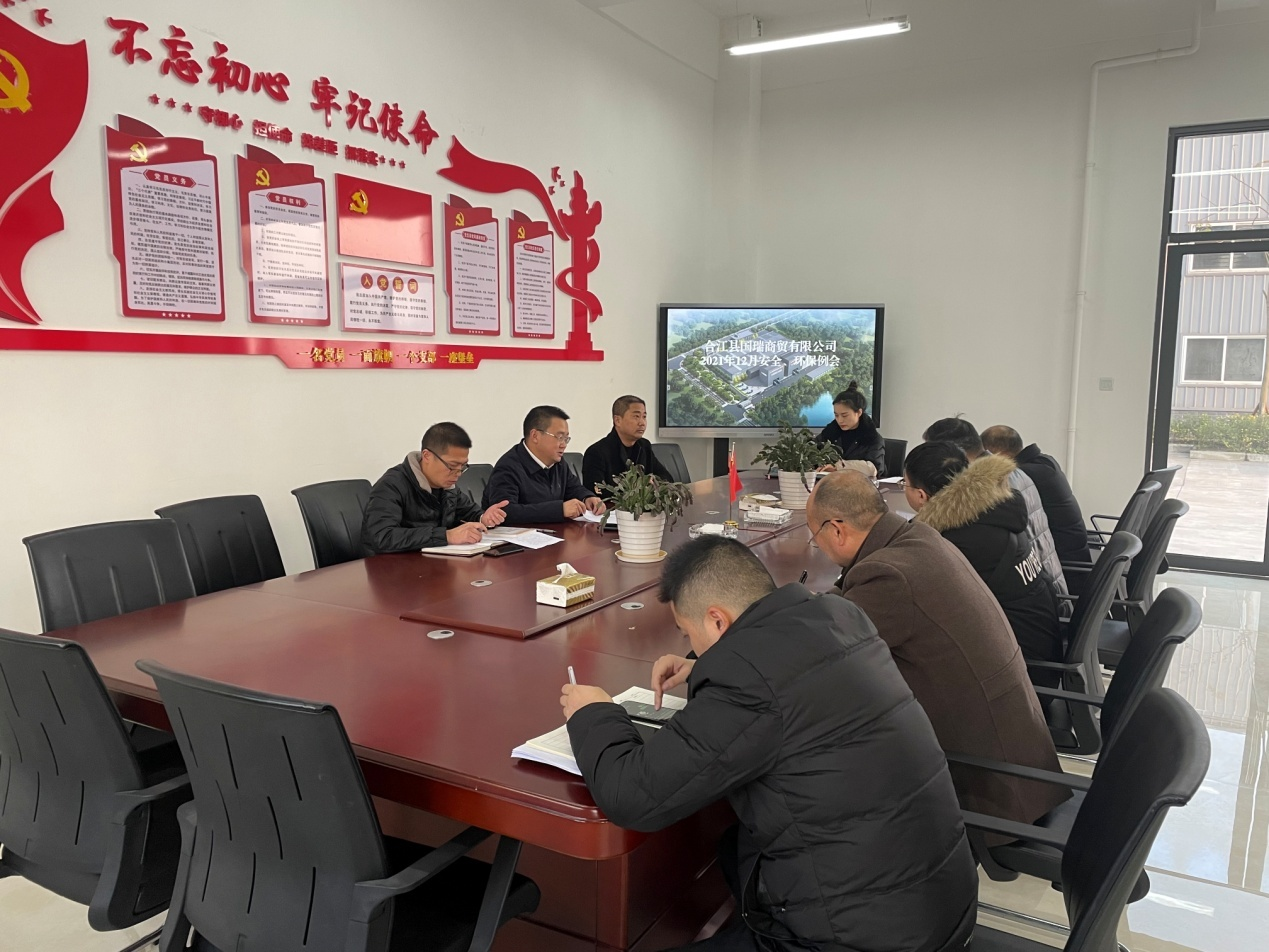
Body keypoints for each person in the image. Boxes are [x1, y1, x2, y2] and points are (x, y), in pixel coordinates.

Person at [561, 537, 976, 952]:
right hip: (937, 904)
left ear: (717, 621)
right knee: (730, 845)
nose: (691, 642)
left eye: (688, 632)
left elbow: (633, 796)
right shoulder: (841, 616)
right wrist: (703, 662)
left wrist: (594, 713)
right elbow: (783, 675)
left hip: (862, 939)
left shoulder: (746, 681)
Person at [806, 471, 1070, 829]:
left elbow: (821, 655)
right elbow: (848, 597)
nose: (819, 546)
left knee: (822, 749)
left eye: (815, 536)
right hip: (1020, 761)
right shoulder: (916, 538)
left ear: (837, 530)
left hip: (991, 790)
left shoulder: (889, 576)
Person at [903, 442, 1063, 676]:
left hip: (1017, 672)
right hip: (1040, 645)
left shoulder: (953, 541)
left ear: (920, 495)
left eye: (904, 484)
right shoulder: (993, 512)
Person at [923, 416, 1067, 598]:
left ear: (949, 454)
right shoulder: (1010, 471)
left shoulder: (989, 485)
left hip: (1033, 591)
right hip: (1044, 584)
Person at [361, 422, 509, 554]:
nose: (458, 473)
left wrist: (484, 518)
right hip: (392, 568)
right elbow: (382, 536)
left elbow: (468, 512)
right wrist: (447, 536)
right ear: (427, 456)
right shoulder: (391, 486)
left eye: (463, 466)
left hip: (434, 563)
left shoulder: (448, 487)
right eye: (452, 466)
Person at [981, 425, 1093, 566]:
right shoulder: (1045, 462)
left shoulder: (1022, 476)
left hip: (1064, 563)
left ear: (1000, 455)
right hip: (1074, 553)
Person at [484, 405, 606, 524]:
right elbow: (505, 512)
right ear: (535, 436)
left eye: (566, 439)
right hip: (521, 536)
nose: (564, 445)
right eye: (559, 437)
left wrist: (587, 497)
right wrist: (559, 510)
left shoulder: (558, 463)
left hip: (553, 532)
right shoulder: (508, 467)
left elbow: (573, 488)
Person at [581, 394, 674, 496]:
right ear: (617, 420)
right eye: (636, 416)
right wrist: (637, 489)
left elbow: (667, 478)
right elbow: (595, 492)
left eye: (644, 417)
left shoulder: (644, 446)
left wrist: (653, 481)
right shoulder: (597, 452)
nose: (642, 423)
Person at [815, 381, 888, 476]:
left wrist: (838, 467)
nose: (840, 420)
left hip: (862, 484)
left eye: (844, 415)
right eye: (836, 415)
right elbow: (811, 450)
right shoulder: (829, 433)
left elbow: (873, 468)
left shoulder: (872, 438)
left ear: (859, 412)